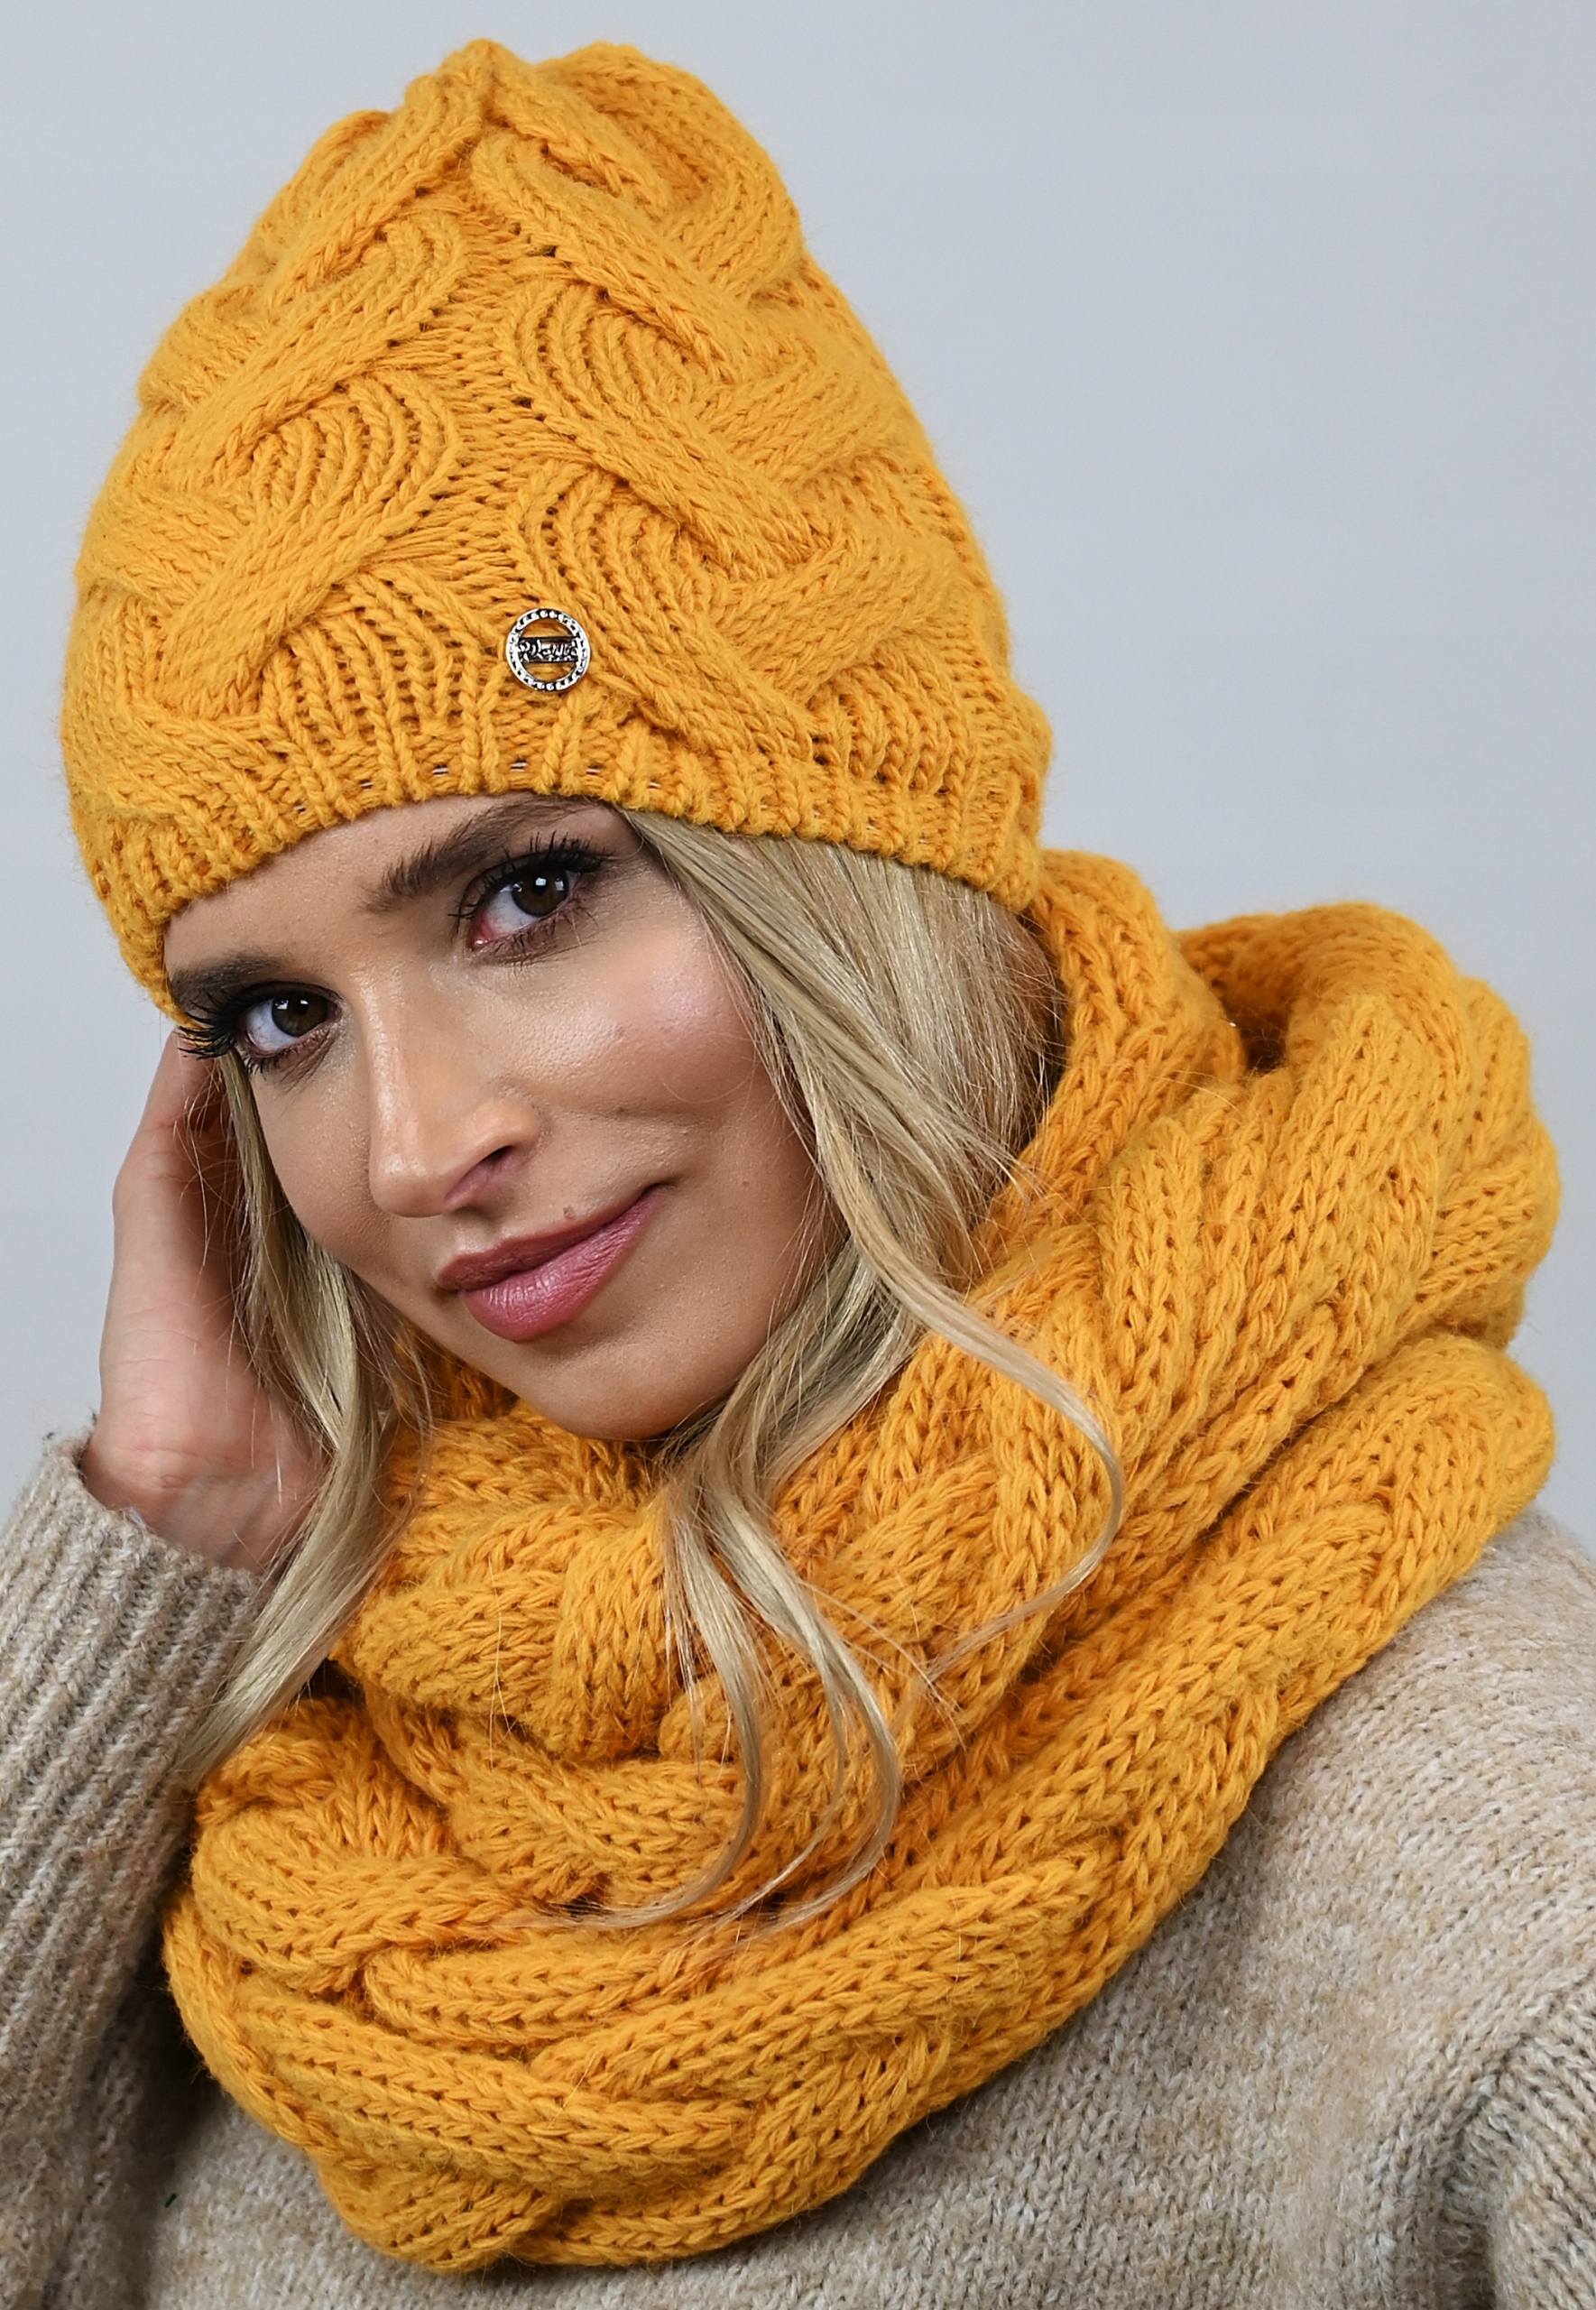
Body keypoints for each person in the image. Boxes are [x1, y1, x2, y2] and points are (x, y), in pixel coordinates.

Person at [4, 35, 1592, 2309]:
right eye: (280, 1016)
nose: (416, 1144)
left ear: (846, 869)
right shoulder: (273, 1770)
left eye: (528, 892)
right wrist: (160, 1535)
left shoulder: (1497, 1876)